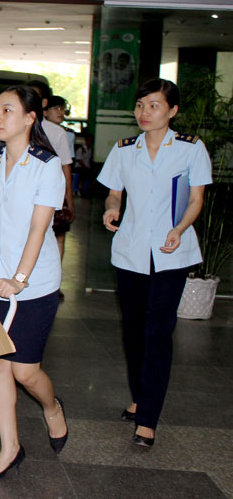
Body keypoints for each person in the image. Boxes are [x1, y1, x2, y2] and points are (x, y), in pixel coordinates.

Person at [0, 85, 68, 478]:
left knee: (24, 371)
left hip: (34, 282)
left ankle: (51, 407)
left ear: (30, 118)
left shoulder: (46, 166)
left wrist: (19, 279)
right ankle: (10, 446)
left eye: (7, 110)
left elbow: (39, 230)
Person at [97, 78, 212, 447]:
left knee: (157, 333)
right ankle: (139, 396)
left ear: (173, 110)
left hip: (171, 253)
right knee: (132, 331)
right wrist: (112, 208)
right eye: (141, 105)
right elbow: (114, 192)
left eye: (154, 105)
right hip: (130, 252)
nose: (145, 112)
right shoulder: (123, 149)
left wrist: (180, 228)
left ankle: (148, 418)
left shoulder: (191, 149)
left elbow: (196, 199)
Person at [28, 81, 74, 299]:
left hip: (52, 196)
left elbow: (66, 167)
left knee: (54, 237)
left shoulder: (56, 132)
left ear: (43, 103)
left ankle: (52, 283)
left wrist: (69, 201)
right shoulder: (14, 127)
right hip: (26, 196)